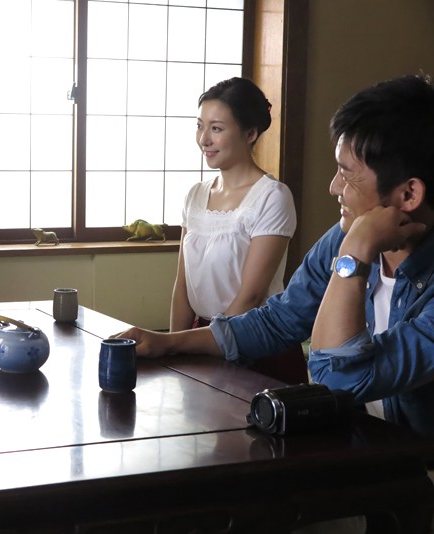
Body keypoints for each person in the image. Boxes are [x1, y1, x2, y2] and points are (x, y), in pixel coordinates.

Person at [116, 73, 434, 437]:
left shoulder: (351, 241)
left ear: (409, 195)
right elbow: (279, 320)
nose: (334, 187)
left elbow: (340, 378)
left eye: (347, 175)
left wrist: (355, 254)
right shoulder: (344, 238)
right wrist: (168, 342)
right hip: (367, 443)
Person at [172, 77, 305, 384]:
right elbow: (182, 287)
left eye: (217, 128)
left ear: (250, 133)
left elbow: (251, 296)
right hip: (200, 338)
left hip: (257, 342)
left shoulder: (272, 196)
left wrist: (209, 349)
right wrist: (174, 348)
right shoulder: (195, 195)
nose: (204, 139)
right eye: (199, 126)